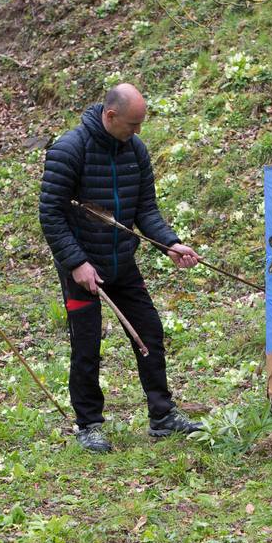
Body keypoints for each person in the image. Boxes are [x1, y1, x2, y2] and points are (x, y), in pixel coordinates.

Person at [39, 83, 205, 453]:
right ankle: (89, 424)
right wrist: (77, 263)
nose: (138, 132)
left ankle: (162, 417)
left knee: (149, 331)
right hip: (81, 268)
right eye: (132, 124)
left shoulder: (135, 150)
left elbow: (145, 208)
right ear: (110, 116)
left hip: (122, 261)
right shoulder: (69, 150)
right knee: (86, 346)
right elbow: (50, 214)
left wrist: (170, 244)